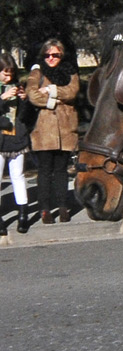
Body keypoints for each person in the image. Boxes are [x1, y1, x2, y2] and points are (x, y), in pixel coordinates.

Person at [26, 38, 80, 223]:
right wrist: (51, 101)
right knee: (44, 170)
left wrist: (51, 89)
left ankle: (63, 206)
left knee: (61, 171)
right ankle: (44, 209)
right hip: (43, 130)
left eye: (55, 55)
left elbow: (73, 91)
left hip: (66, 128)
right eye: (47, 55)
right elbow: (32, 94)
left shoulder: (70, 71)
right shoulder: (37, 71)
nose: (51, 58)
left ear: (61, 55)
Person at [0, 52, 30, 234]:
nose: (7, 77)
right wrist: (2, 98)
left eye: (10, 73)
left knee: (18, 176)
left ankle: (23, 215)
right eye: (4, 73)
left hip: (16, 137)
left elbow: (25, 116)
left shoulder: (16, 86)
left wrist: (24, 100)